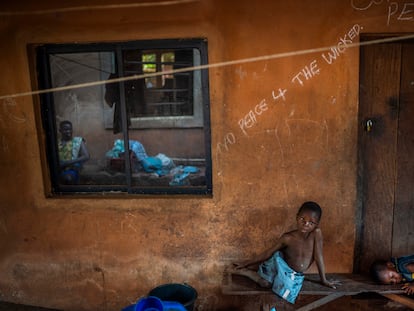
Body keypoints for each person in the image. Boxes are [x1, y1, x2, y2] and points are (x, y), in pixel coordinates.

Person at [231, 201, 338, 303]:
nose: (306, 224)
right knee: (265, 284)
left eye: (311, 222)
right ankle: (246, 271)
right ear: (297, 217)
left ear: (317, 224)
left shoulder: (316, 234)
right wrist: (246, 262)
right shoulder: (288, 238)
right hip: (280, 264)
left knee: (276, 288)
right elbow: (268, 252)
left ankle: (252, 270)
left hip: (293, 274)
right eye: (302, 219)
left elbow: (318, 256)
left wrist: (323, 280)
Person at [58, 120, 90, 184]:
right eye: (65, 129)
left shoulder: (77, 141)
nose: (68, 131)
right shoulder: (56, 142)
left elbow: (86, 156)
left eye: (70, 129)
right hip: (58, 168)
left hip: (70, 168)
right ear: (60, 130)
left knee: (68, 179)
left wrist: (67, 163)